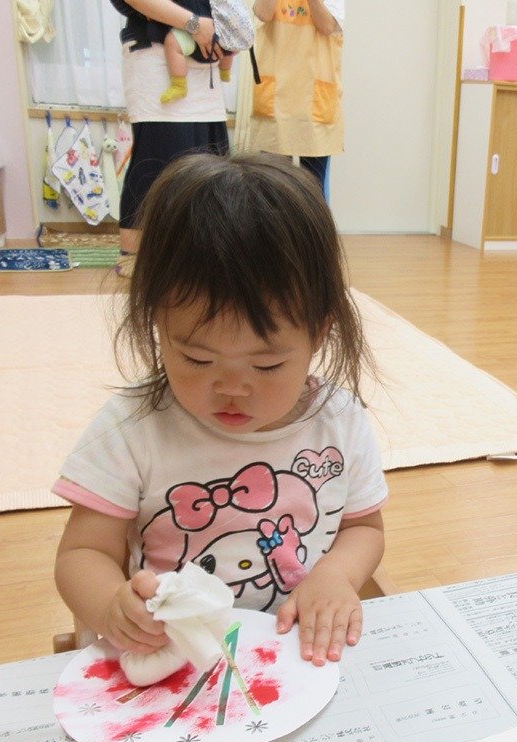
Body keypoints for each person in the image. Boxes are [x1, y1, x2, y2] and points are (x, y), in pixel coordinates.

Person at [53, 154, 387, 668]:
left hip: (291, 651)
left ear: (319, 332)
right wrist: (112, 607)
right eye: (197, 359)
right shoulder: (133, 427)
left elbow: (364, 528)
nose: (232, 389)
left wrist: (336, 575)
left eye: (267, 365)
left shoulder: (337, 421)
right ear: (158, 322)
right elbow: (83, 554)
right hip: (174, 655)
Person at [110, 0, 230, 277]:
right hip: (157, 53)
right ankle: (135, 257)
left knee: (211, 162)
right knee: (158, 160)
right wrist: (193, 24)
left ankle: (198, 256)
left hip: (203, 58)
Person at [246, 0, 345, 196]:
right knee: (273, 187)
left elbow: (327, 26)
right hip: (277, 98)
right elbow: (263, 13)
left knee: (314, 189)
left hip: (313, 100)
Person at [159, 0, 254, 104]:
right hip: (219, 38)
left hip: (196, 35)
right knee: (228, 43)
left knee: (172, 43)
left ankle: (179, 84)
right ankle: (225, 71)